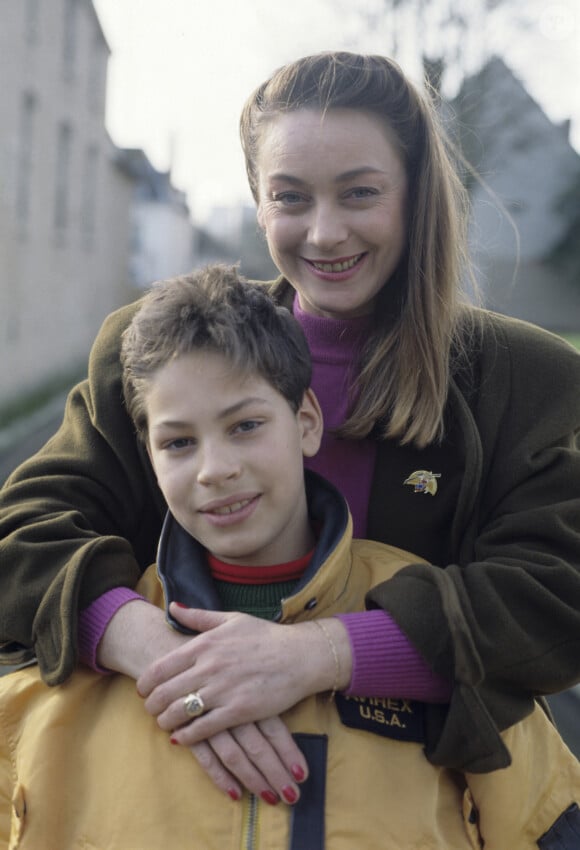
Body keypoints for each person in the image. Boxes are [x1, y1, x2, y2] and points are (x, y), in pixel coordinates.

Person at [1, 50, 580, 813]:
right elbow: (22, 536)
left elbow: (556, 595)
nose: (325, 232)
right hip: (174, 800)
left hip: (406, 809)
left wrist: (319, 656)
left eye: (360, 193)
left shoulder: (523, 379)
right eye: (291, 197)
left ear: (416, 194)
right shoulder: (161, 353)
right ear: (258, 200)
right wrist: (165, 659)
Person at [1, 265, 577, 850]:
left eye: (246, 426)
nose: (215, 469)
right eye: (178, 442)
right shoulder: (55, 686)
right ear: (144, 454)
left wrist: (327, 654)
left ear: (306, 423)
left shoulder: (450, 657)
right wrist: (166, 666)